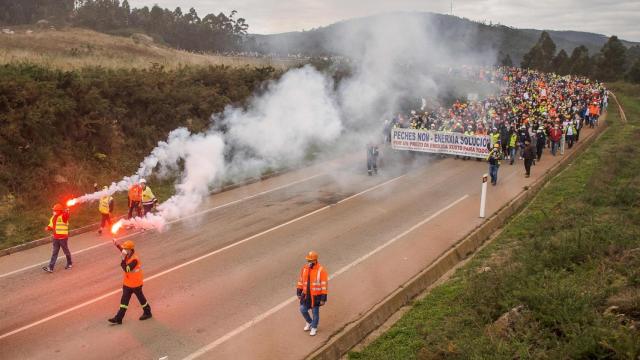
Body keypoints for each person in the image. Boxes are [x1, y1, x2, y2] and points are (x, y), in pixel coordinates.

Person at [108, 240, 152, 324]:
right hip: (127, 284)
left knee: (141, 299)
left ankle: (148, 312)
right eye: (124, 248)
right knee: (124, 301)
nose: (124, 250)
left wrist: (122, 260)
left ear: (130, 250)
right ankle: (119, 318)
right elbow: (122, 250)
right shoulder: (128, 254)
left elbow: (126, 269)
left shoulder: (134, 259)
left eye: (126, 249)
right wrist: (117, 244)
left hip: (136, 284)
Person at [296, 251, 328, 336]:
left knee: (315, 313)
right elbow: (301, 280)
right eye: (308, 260)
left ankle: (314, 327)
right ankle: (309, 322)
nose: (309, 262)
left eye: (310, 260)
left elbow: (324, 285)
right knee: (302, 309)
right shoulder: (305, 268)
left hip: (316, 296)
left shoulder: (321, 270)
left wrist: (323, 298)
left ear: (315, 260)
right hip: (306, 295)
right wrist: (299, 291)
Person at [42, 204, 72, 272]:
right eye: (53, 210)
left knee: (66, 251)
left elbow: (66, 216)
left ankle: (69, 263)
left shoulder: (63, 216)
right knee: (54, 252)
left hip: (63, 238)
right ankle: (50, 267)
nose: (54, 211)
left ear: (60, 211)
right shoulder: (53, 217)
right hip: (55, 238)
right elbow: (51, 225)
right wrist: (48, 228)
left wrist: (67, 211)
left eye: (55, 210)